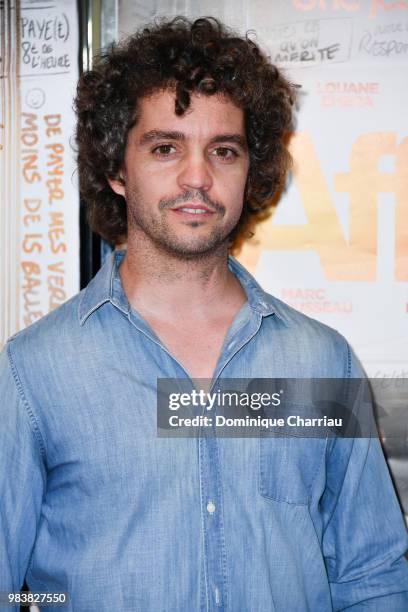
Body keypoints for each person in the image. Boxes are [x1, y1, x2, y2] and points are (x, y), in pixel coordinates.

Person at [0, 16, 407, 612]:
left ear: (251, 169)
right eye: (166, 148)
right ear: (116, 169)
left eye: (224, 150)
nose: (198, 177)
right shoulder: (32, 373)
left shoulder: (322, 359)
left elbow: (371, 576)